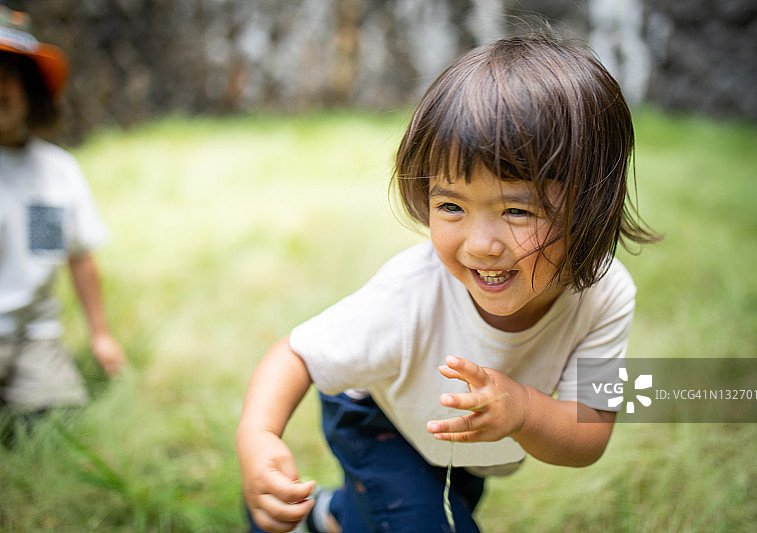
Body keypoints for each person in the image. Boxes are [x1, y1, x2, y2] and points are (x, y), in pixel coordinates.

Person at [238, 27, 658, 533]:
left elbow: (589, 435)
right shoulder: (410, 295)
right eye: (452, 205)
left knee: (406, 515)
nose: (480, 244)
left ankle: (326, 519)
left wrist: (522, 410)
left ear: (591, 204)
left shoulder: (607, 296)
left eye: (518, 210)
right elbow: (296, 353)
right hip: (378, 419)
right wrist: (259, 436)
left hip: (464, 441)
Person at [0, 7, 126, 426]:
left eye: (8, 74)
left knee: (55, 422)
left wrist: (100, 334)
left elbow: (80, 256)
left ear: (31, 88)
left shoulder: (58, 170)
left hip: (33, 333)